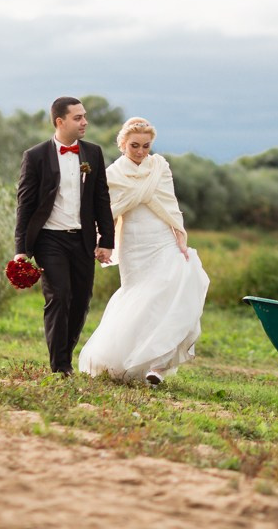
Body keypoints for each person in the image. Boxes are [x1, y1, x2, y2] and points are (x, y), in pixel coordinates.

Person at [78, 117, 210, 384]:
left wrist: (179, 236)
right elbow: (108, 212)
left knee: (182, 281)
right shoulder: (113, 174)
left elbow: (169, 204)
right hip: (134, 243)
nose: (140, 152)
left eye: (146, 146)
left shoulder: (160, 166)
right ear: (123, 144)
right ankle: (123, 361)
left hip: (161, 236)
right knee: (142, 300)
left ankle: (158, 366)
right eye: (134, 146)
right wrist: (103, 243)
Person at [14, 97, 115, 376]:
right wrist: (21, 249)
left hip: (82, 240)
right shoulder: (35, 156)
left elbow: (101, 198)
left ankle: (64, 355)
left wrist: (106, 240)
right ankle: (60, 367)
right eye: (78, 118)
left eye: (84, 116)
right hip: (49, 240)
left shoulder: (93, 154)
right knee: (59, 296)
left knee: (81, 301)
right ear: (60, 122)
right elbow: (25, 205)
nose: (85, 122)